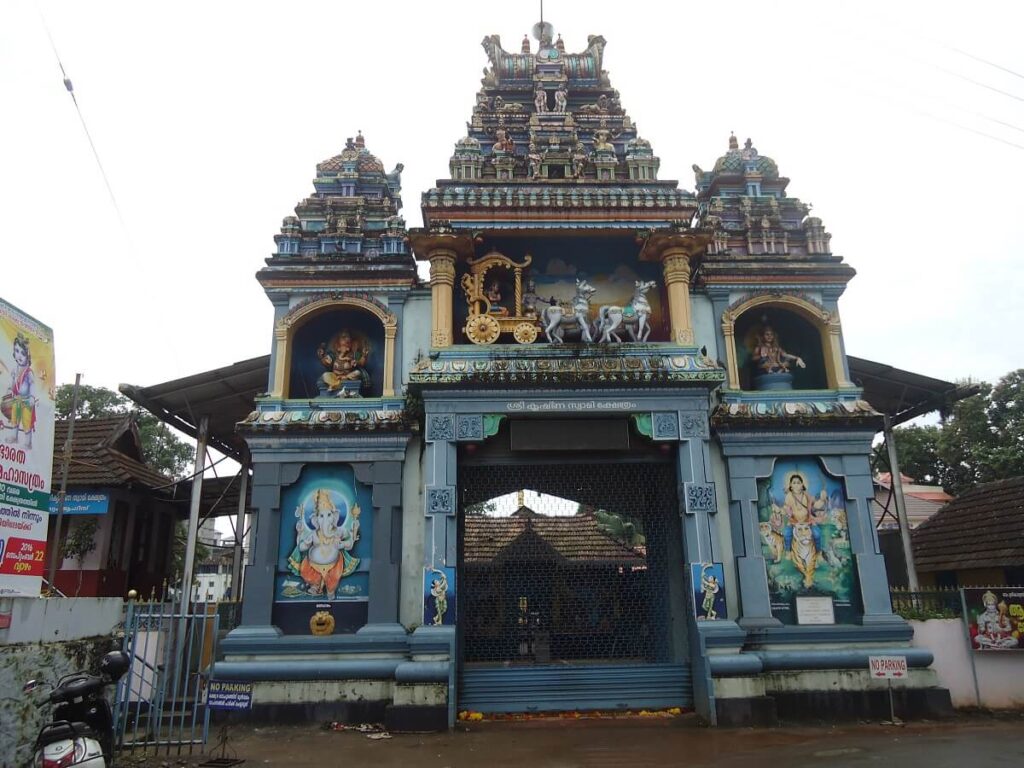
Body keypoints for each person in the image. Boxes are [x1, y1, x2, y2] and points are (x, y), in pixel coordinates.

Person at [1, 333, 36, 447]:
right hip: (16, 400)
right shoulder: (15, 370)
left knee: (26, 422)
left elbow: (32, 386)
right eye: (16, 351)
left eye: (23, 353)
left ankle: (28, 442)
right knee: (14, 419)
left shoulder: (29, 372)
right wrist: (10, 390)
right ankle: (14, 436)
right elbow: (13, 383)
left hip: (26, 401)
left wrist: (32, 397)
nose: (19, 355)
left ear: (28, 356)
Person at [782, 472, 826, 553]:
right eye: (794, 483)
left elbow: (816, 505)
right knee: (786, 534)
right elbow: (786, 509)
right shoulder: (788, 496)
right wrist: (789, 513)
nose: (796, 485)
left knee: (817, 533)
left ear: (802, 484)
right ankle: (788, 551)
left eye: (798, 483)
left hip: (807, 520)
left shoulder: (807, 495)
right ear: (790, 485)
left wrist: (822, 499)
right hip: (794, 521)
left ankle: (819, 552)